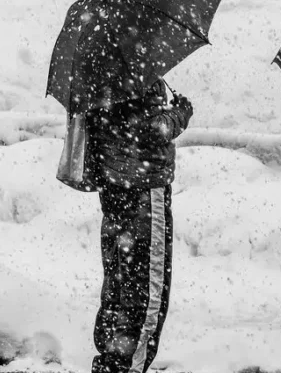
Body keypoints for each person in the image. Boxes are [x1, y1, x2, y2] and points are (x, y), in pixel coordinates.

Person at [57, 78, 194, 373]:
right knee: (146, 288)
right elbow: (152, 129)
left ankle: (111, 358)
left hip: (114, 186)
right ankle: (125, 364)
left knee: (119, 283)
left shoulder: (99, 72)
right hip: (143, 189)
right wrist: (180, 113)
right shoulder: (137, 70)